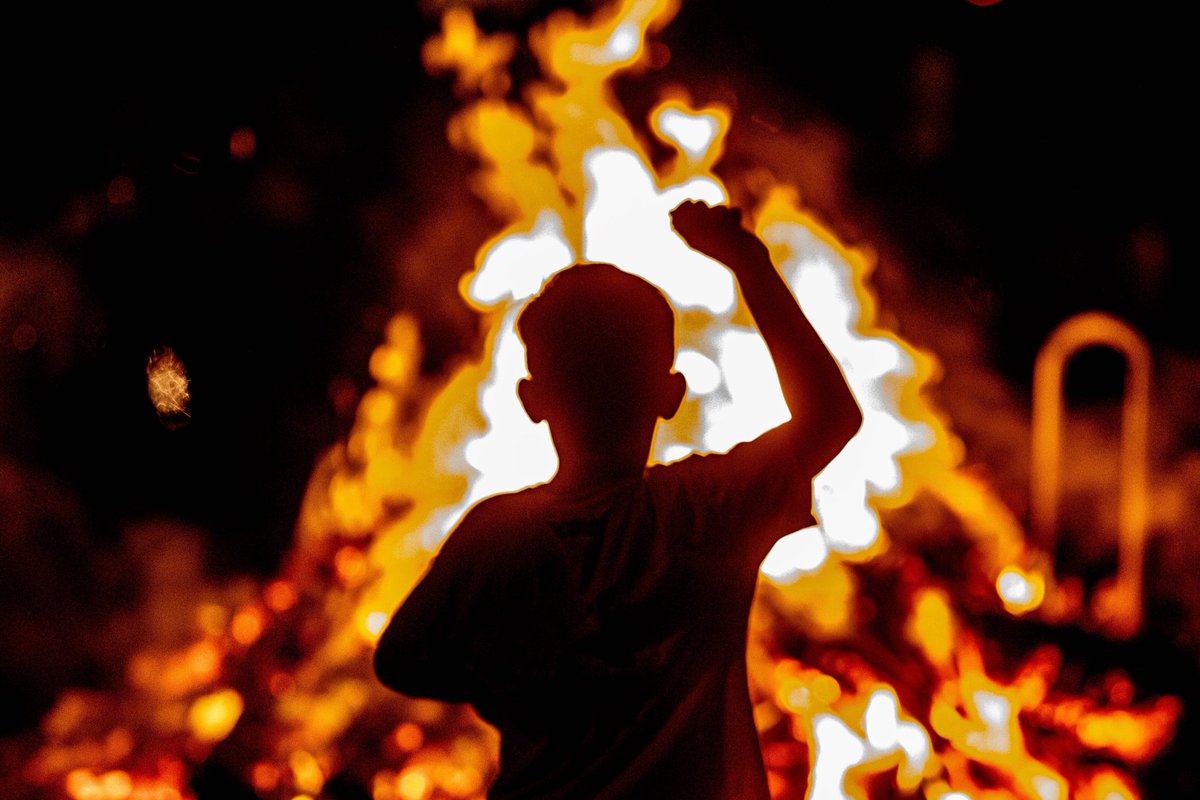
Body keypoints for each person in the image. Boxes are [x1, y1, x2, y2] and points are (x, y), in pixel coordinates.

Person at [374, 200, 862, 799]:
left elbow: (400, 660)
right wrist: (746, 261)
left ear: (532, 400)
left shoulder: (495, 534)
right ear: (671, 394)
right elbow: (832, 415)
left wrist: (522, 678)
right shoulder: (705, 510)